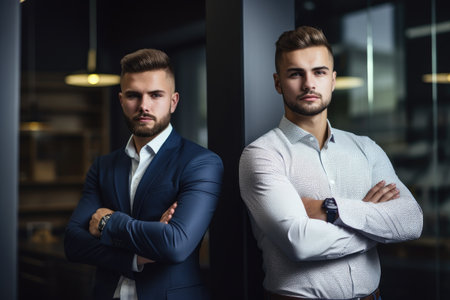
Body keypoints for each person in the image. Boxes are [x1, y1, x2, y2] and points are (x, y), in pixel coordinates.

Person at [239, 26, 423, 300]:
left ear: (333, 80)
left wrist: (332, 209)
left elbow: (411, 221)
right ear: (278, 83)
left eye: (319, 72)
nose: (309, 84)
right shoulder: (263, 155)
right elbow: (299, 243)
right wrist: (376, 228)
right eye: (295, 74)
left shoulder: (366, 147)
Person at [64, 48, 223, 300]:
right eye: (133, 95)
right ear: (121, 100)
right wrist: (139, 255)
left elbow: (175, 245)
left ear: (173, 101)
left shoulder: (201, 163)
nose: (143, 106)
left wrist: (107, 223)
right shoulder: (103, 166)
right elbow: (73, 243)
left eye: (155, 95)